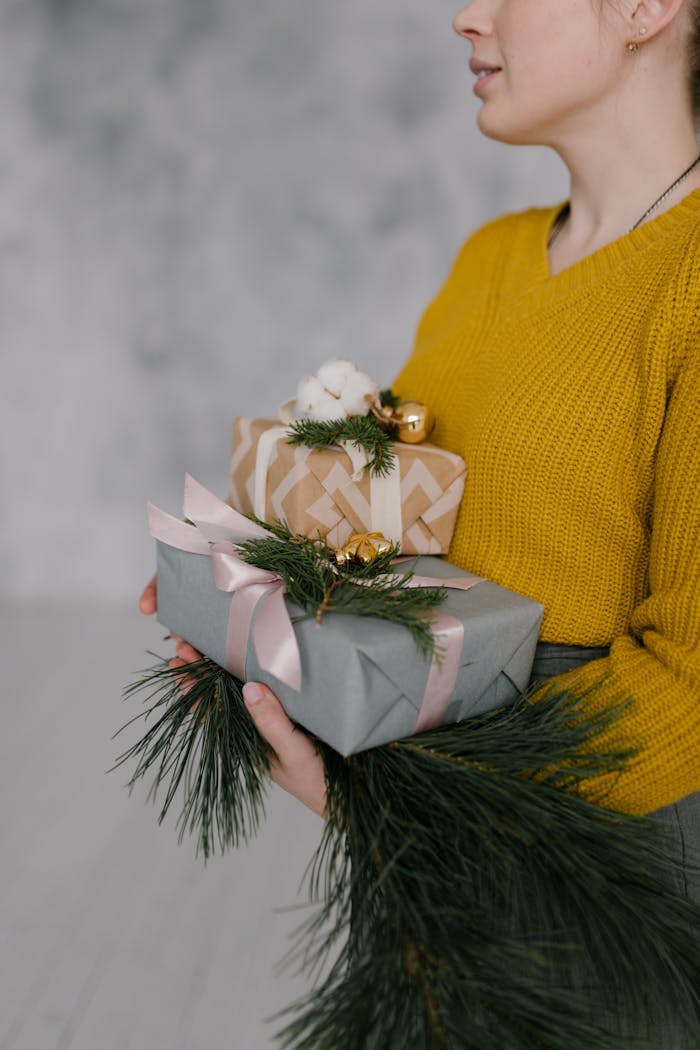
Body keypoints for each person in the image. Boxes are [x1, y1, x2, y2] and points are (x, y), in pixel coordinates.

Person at [141, 0, 700, 1037]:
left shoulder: (687, 284)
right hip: (444, 863)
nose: (463, 16)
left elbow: (690, 685)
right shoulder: (488, 259)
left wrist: (403, 796)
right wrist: (263, 597)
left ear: (643, 8)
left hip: (609, 870)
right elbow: (388, 522)